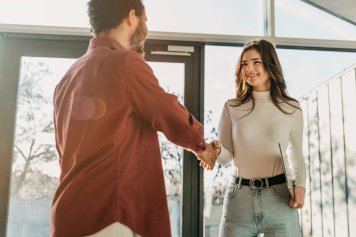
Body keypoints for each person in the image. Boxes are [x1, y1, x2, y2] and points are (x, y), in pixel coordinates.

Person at [51, 0, 217, 236]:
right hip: (110, 215)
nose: (146, 27)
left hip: (69, 214)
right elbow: (167, 112)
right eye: (145, 20)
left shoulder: (68, 78)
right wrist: (201, 147)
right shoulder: (125, 63)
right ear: (131, 16)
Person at [209, 39, 306, 236]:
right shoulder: (232, 107)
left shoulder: (291, 108)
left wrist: (301, 186)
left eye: (256, 62)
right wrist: (217, 150)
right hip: (239, 199)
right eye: (244, 64)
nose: (249, 68)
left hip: (280, 198)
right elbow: (226, 158)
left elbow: (296, 155)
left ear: (270, 65)